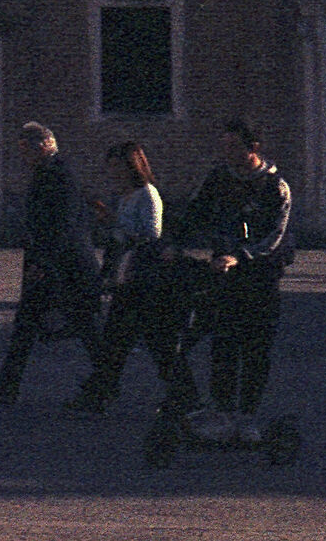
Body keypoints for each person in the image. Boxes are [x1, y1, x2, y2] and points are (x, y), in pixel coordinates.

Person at [165, 119, 293, 437]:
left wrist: (242, 256)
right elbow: (195, 213)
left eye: (234, 147)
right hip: (223, 276)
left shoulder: (275, 187)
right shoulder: (219, 179)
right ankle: (221, 412)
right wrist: (173, 242)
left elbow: (274, 238)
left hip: (260, 278)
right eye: (224, 147)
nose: (228, 153)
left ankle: (247, 415)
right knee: (223, 345)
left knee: (255, 348)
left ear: (254, 148)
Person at [0, 122, 101, 406]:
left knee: (85, 326)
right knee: (29, 324)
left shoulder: (60, 173)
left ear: (43, 145)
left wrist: (44, 261)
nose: (23, 157)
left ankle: (105, 381)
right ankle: (7, 384)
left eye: (26, 150)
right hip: (49, 263)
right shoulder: (48, 172)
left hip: (63, 265)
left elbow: (64, 224)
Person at [65, 141, 179, 415]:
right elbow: (118, 235)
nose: (113, 173)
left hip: (143, 278)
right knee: (117, 340)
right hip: (125, 277)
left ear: (133, 167)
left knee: (152, 343)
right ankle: (100, 391)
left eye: (118, 167)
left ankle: (181, 396)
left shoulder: (147, 195)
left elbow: (152, 236)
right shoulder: (123, 196)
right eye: (111, 167)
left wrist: (117, 226)